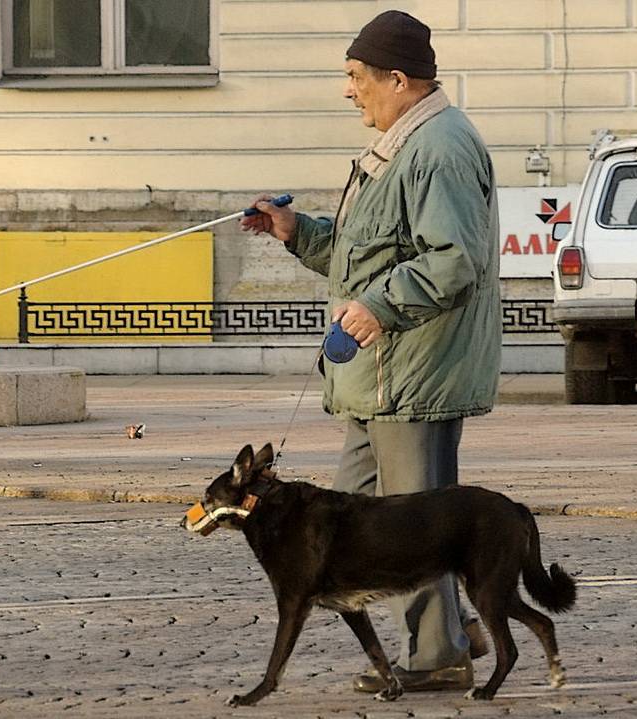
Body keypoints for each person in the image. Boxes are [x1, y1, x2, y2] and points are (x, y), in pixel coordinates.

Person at [240, 10, 502, 693]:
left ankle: (438, 653)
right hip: (374, 379)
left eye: (356, 77)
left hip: (410, 377)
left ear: (397, 78)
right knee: (346, 528)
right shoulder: (401, 141)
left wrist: (380, 308)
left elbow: (453, 263)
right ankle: (458, 630)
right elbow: (368, 254)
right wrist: (295, 231)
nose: (347, 91)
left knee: (409, 526)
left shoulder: (438, 148)